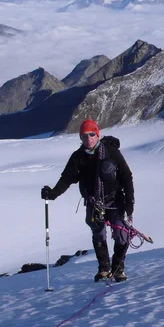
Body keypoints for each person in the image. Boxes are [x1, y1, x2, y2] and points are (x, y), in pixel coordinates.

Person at [41, 119, 134, 282]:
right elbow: (67, 179)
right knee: (98, 235)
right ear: (80, 138)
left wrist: (129, 204)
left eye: (92, 134)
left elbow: (126, 177)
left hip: (115, 201)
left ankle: (118, 268)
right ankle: (104, 269)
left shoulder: (112, 152)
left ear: (97, 134)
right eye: (84, 136)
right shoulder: (78, 157)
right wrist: (53, 194)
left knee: (121, 234)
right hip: (94, 203)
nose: (88, 138)